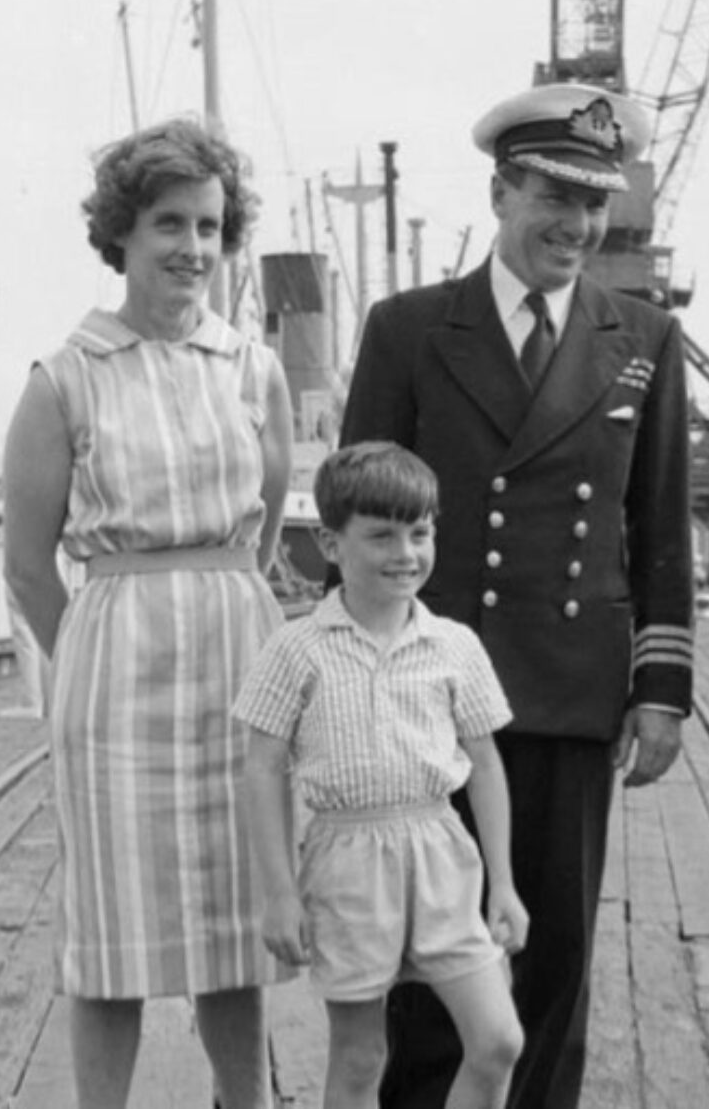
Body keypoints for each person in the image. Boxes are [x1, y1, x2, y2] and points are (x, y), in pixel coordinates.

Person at [339, 82, 695, 1109]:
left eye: (596, 203)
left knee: (554, 963)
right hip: (427, 694)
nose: (577, 224)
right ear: (501, 191)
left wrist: (661, 688)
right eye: (554, 195)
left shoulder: (642, 338)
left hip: (571, 689)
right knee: (425, 958)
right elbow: (362, 512)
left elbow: (658, 526)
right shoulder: (410, 330)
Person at [1, 116, 294, 1109]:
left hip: (235, 664)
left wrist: (220, 608)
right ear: (121, 232)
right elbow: (29, 565)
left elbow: (262, 535)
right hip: (112, 673)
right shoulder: (64, 378)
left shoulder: (254, 370)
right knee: (111, 926)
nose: (192, 248)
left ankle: (243, 1098)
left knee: (235, 909)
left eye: (210, 226)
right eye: (170, 222)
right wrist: (89, 657)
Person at [237, 442, 528, 1109]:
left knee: (497, 1040)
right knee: (362, 1055)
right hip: (346, 862)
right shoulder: (297, 649)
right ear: (332, 543)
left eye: (420, 533)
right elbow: (262, 767)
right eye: (381, 536)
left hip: (442, 858)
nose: (405, 553)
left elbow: (484, 763)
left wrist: (504, 883)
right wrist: (279, 894)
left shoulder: (454, 645)